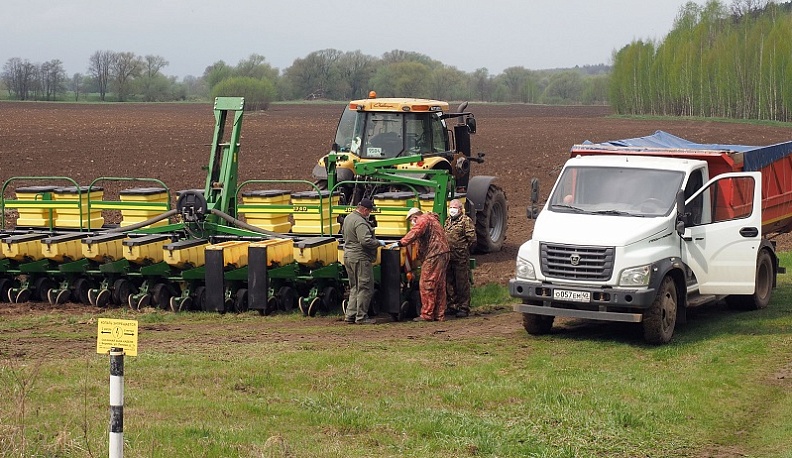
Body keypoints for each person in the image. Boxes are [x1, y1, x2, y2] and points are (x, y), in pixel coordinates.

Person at [395, 207, 451, 322]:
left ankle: (427, 314)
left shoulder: (423, 220)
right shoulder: (432, 220)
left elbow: (415, 232)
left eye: (411, 220)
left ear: (415, 217)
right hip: (443, 253)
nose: (412, 223)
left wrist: (401, 243)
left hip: (434, 254)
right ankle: (439, 314)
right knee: (439, 284)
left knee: (427, 283)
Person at [341, 197, 385, 324]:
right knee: (365, 287)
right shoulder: (360, 222)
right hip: (360, 257)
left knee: (355, 286)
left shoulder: (348, 218)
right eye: (369, 211)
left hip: (348, 255)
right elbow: (365, 240)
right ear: (365, 210)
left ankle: (350, 315)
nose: (369, 214)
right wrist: (378, 243)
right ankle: (361, 317)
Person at [444, 199, 476, 318]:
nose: (452, 209)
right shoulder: (448, 221)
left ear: (460, 209)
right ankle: (452, 305)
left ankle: (464, 307)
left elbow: (472, 239)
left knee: (462, 283)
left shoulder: (465, 221)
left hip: (461, 258)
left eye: (455, 207)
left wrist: (465, 251)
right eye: (451, 207)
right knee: (449, 282)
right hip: (449, 257)